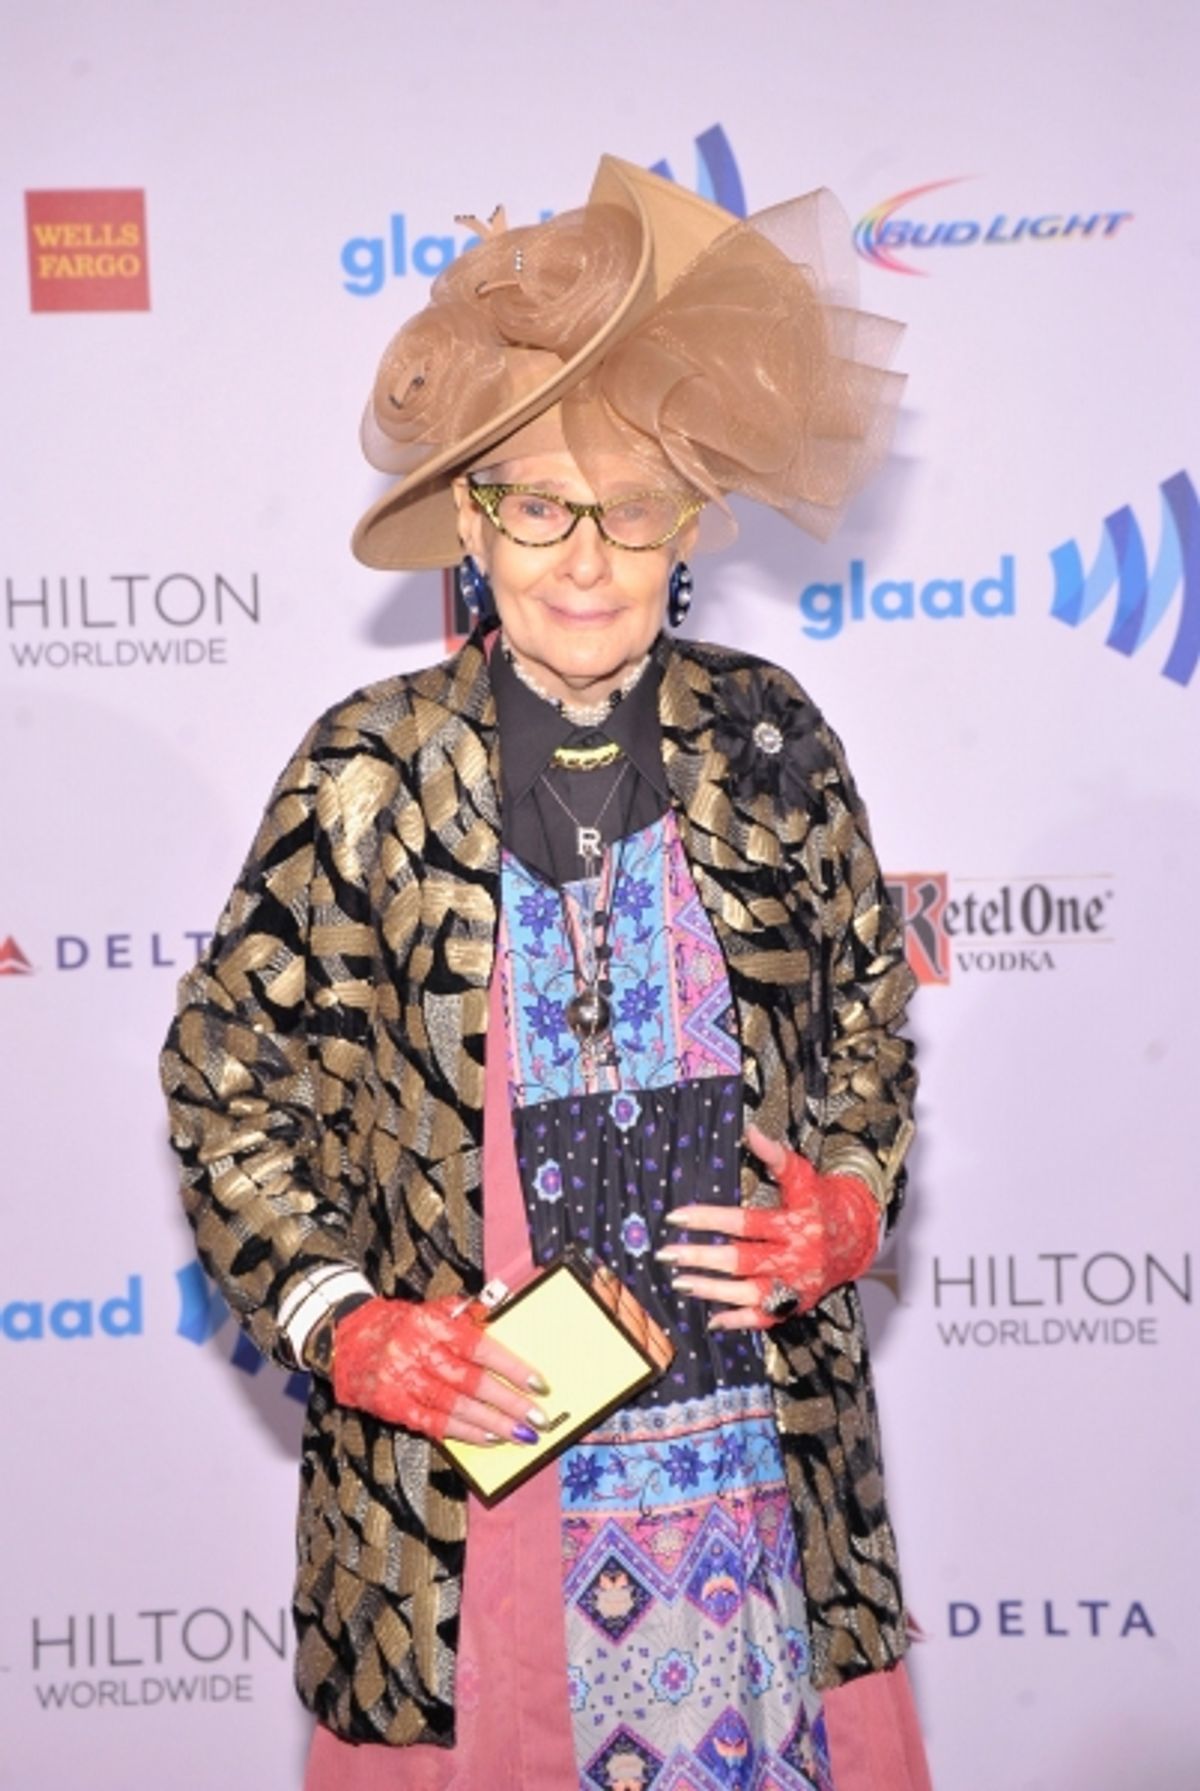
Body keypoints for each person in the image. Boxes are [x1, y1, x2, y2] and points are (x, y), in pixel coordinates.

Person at [161, 154, 929, 1791]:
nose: (585, 558)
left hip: (760, 1490)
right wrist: (347, 1323)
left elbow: (871, 1024)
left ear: (687, 527)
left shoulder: (773, 739)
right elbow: (227, 1084)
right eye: (537, 506)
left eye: (631, 508)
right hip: (471, 1481)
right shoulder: (367, 771)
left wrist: (851, 1209)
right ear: (472, 521)